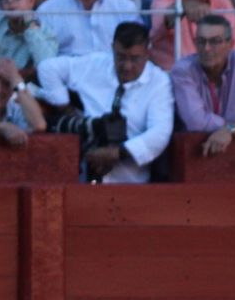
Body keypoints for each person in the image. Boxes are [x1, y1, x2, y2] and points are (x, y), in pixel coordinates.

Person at [34, 20, 173, 182]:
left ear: (147, 53)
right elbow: (47, 68)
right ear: (112, 48)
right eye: (121, 57)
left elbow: (160, 132)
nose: (127, 66)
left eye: (135, 59)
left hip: (131, 183)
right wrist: (65, 108)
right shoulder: (94, 64)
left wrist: (118, 153)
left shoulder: (159, 82)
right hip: (82, 178)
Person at [170, 14, 235, 156]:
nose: (206, 48)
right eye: (201, 41)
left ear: (231, 44)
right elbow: (196, 122)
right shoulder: (183, 70)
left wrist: (229, 130)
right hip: (194, 153)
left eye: (215, 42)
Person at [146, 0, 235, 71]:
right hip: (172, 79)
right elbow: (162, 20)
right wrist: (181, 6)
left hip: (215, 79)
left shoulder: (222, 2)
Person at [34, 0, 139, 57]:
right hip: (67, 82)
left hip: (116, 78)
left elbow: (136, 53)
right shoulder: (47, 10)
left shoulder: (125, 7)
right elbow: (44, 61)